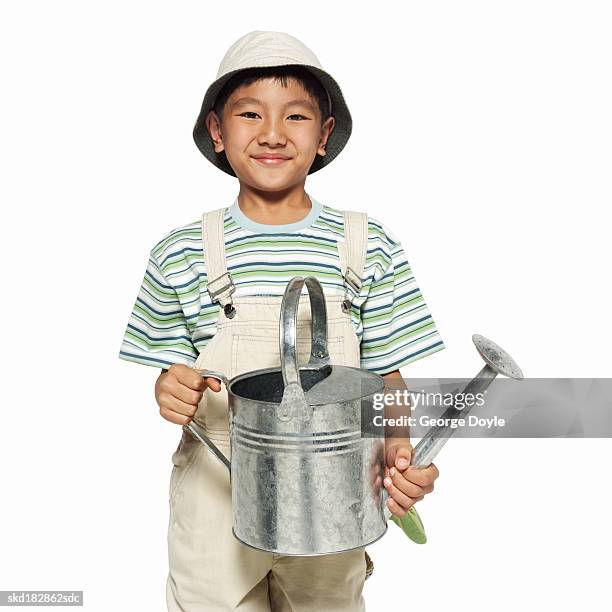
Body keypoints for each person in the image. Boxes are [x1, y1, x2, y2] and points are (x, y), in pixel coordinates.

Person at [119, 30, 445, 611]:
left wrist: (398, 450)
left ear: (323, 136)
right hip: (217, 498)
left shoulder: (368, 246)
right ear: (219, 132)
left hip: (332, 497)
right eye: (249, 114)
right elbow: (171, 377)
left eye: (295, 116)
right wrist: (167, 389)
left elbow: (388, 380)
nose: (272, 133)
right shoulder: (181, 252)